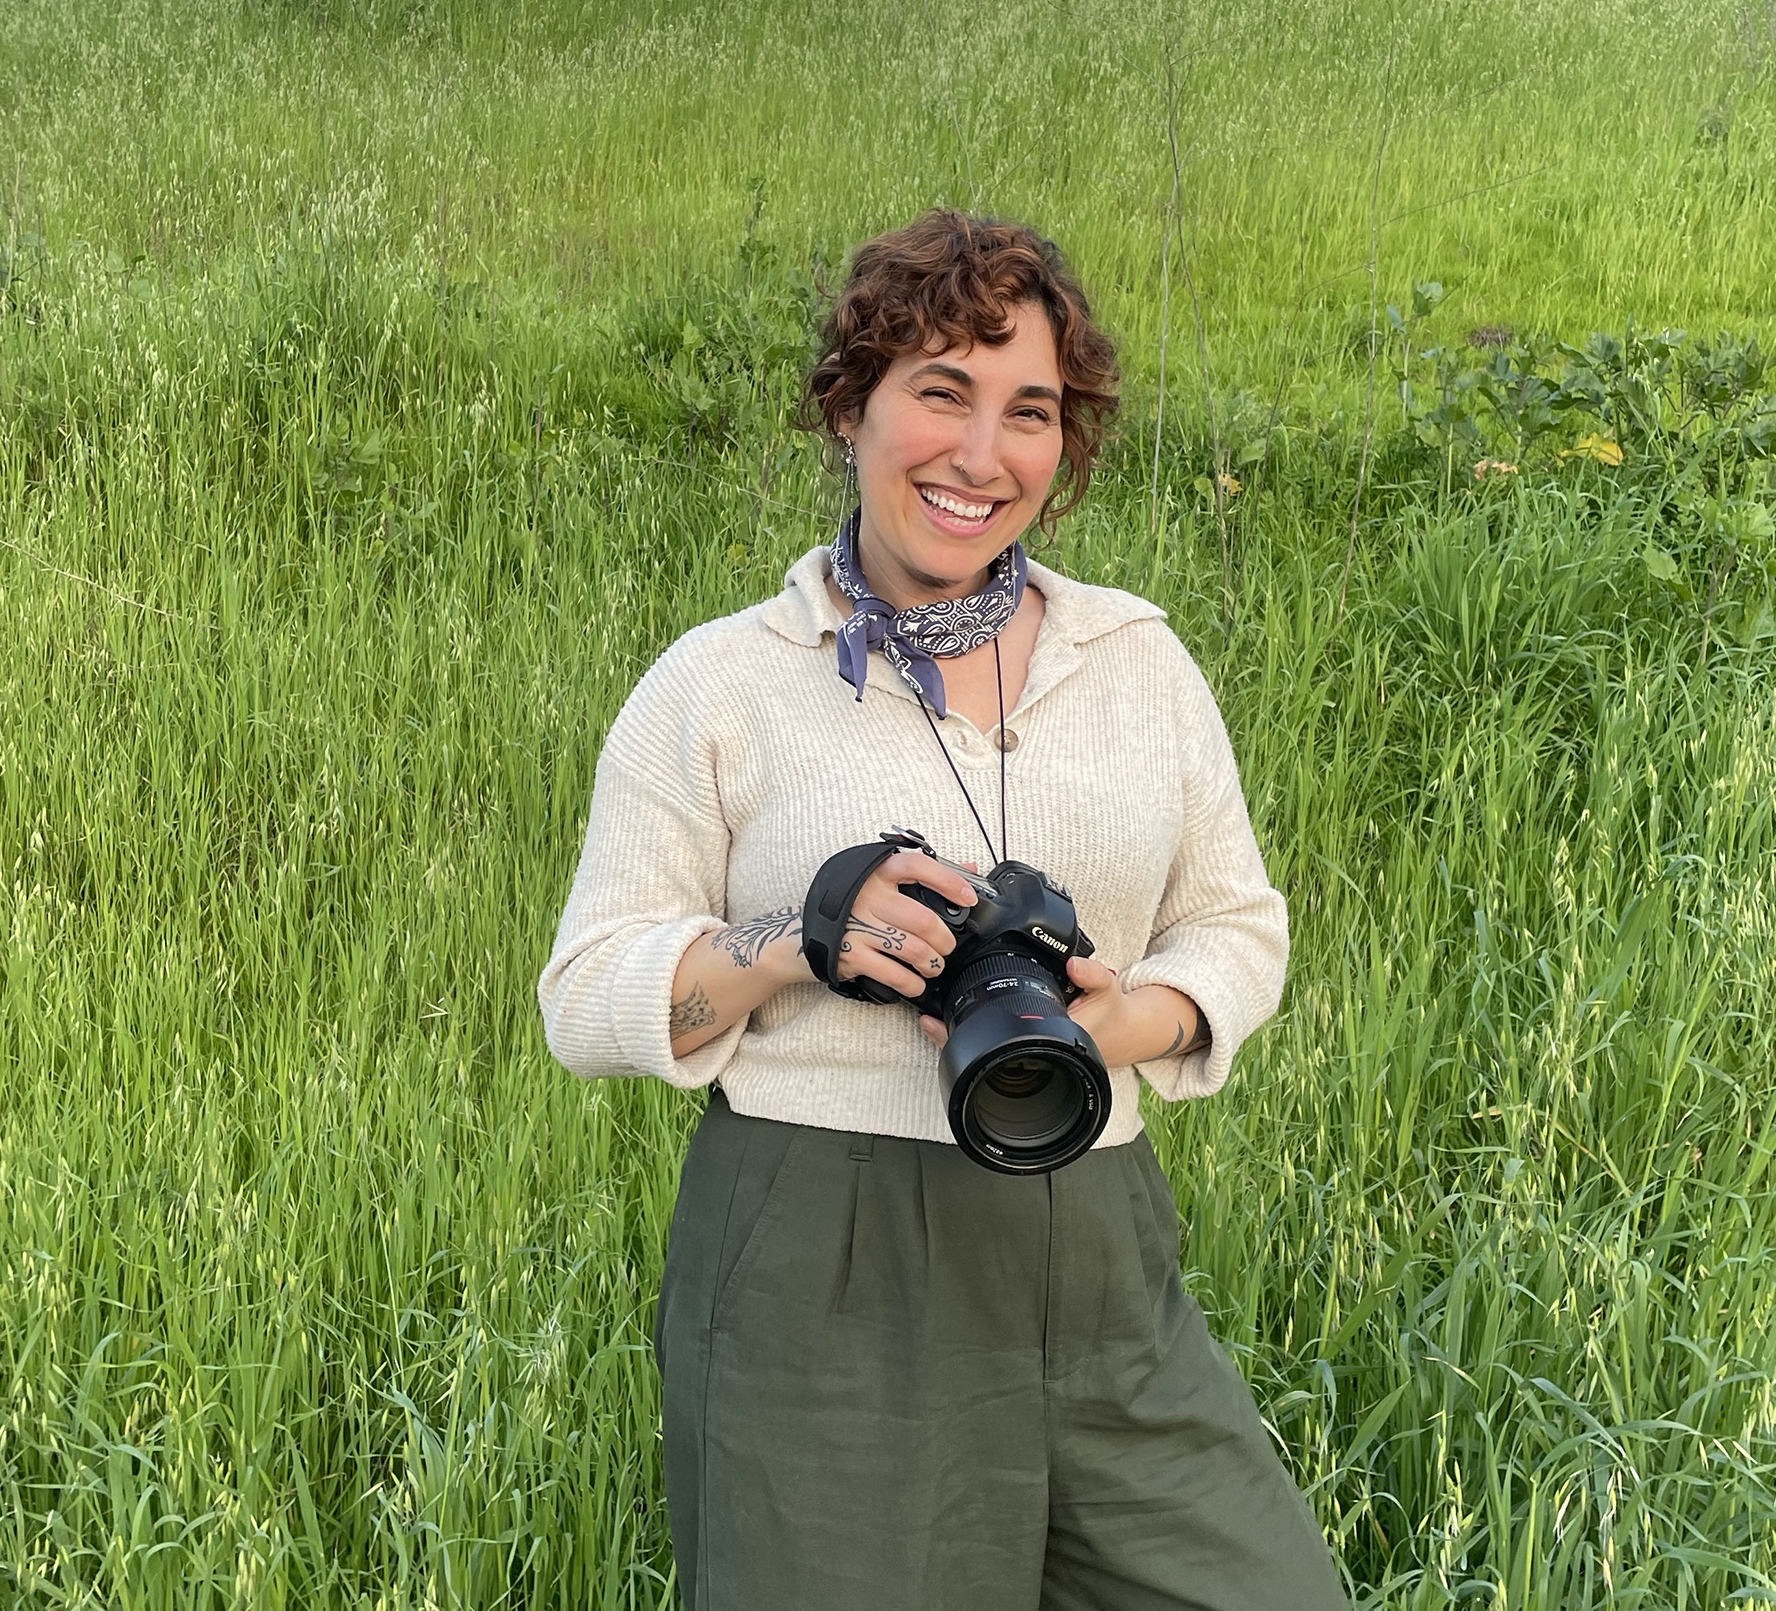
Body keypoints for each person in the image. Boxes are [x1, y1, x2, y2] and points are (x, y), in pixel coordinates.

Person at [540, 210, 1347, 1610]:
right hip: (819, 1269)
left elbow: (1236, 925)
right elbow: (584, 993)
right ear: (852, 408)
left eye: (1027, 411)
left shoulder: (1135, 660)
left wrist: (1123, 1021)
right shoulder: (723, 683)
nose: (981, 457)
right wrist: (796, 942)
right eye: (940, 393)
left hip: (1094, 1239)